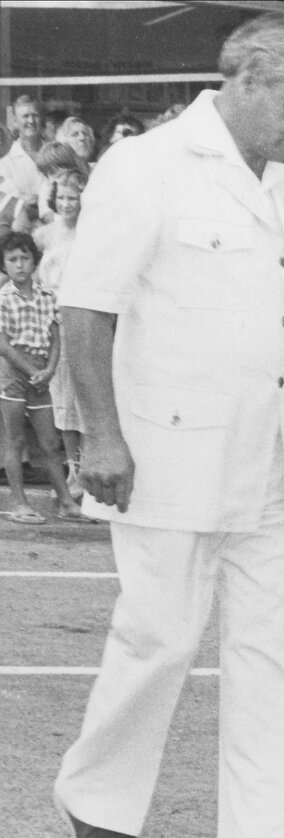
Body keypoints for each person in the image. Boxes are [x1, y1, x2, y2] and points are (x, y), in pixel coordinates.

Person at [51, 12, 284, 838]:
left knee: (269, 645)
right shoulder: (147, 167)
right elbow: (86, 308)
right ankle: (100, 800)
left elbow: (275, 309)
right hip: (165, 448)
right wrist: (102, 436)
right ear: (246, 79)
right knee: (161, 634)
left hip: (266, 450)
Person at [0, 232, 88, 524]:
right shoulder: (3, 298)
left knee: (50, 442)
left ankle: (65, 502)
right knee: (14, 441)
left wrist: (49, 370)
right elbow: (3, 343)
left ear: (34, 261)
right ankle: (19, 503)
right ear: (4, 265)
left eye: (25, 258)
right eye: (12, 259)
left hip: (41, 372)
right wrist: (30, 370)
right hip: (14, 372)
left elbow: (54, 337)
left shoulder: (47, 297)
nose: (20, 265)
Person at [34, 167, 89, 499]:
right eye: (63, 198)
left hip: (81, 317)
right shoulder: (45, 235)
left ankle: (85, 471)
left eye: (74, 197)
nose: (68, 204)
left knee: (85, 397)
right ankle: (73, 471)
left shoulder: (91, 232)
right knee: (64, 399)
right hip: (52, 321)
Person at [0, 95, 45, 215]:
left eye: (35, 115)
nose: (31, 121)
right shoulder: (5, 159)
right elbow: (9, 200)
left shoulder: (54, 152)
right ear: (15, 121)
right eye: (25, 116)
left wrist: (32, 199)